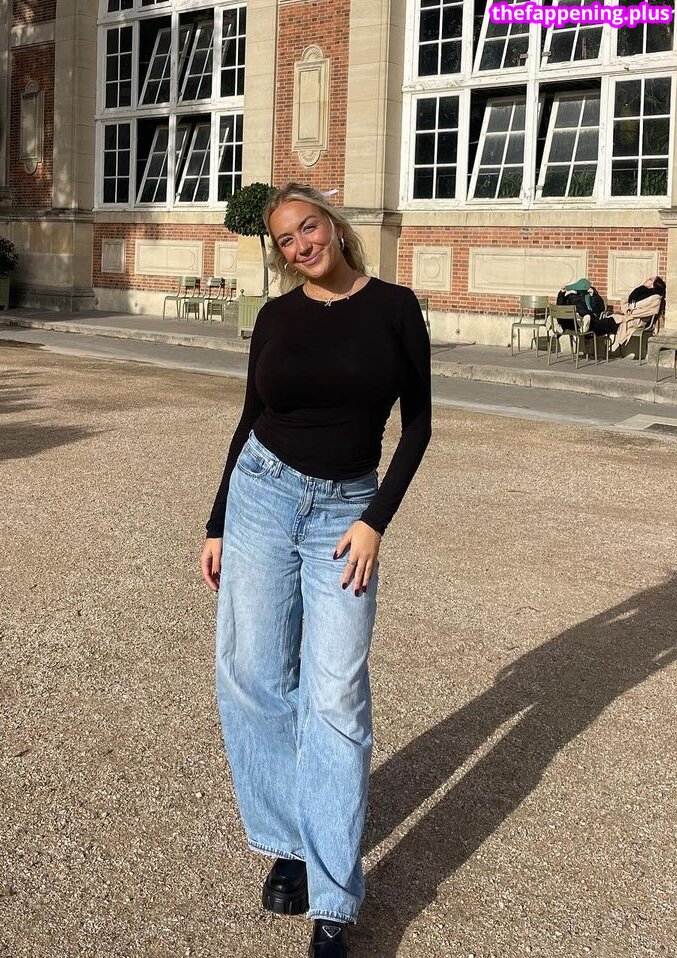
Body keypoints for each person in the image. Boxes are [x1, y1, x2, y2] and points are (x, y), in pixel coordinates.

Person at [200, 182, 432, 957]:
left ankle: (333, 899)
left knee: (334, 697)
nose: (302, 244)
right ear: (279, 251)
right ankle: (290, 845)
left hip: (345, 516)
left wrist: (374, 521)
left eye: (309, 227)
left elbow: (419, 423)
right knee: (253, 677)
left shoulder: (394, 307)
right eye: (286, 239)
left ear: (332, 225)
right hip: (261, 496)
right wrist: (218, 522)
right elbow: (249, 417)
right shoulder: (275, 316)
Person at [603, 276, 666, 352]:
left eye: (650, 279)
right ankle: (593, 328)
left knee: (610, 322)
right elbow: (624, 300)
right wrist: (627, 309)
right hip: (628, 316)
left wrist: (631, 312)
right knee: (608, 322)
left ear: (653, 285)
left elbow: (649, 311)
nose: (647, 279)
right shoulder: (639, 290)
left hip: (637, 321)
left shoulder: (655, 298)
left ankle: (592, 328)